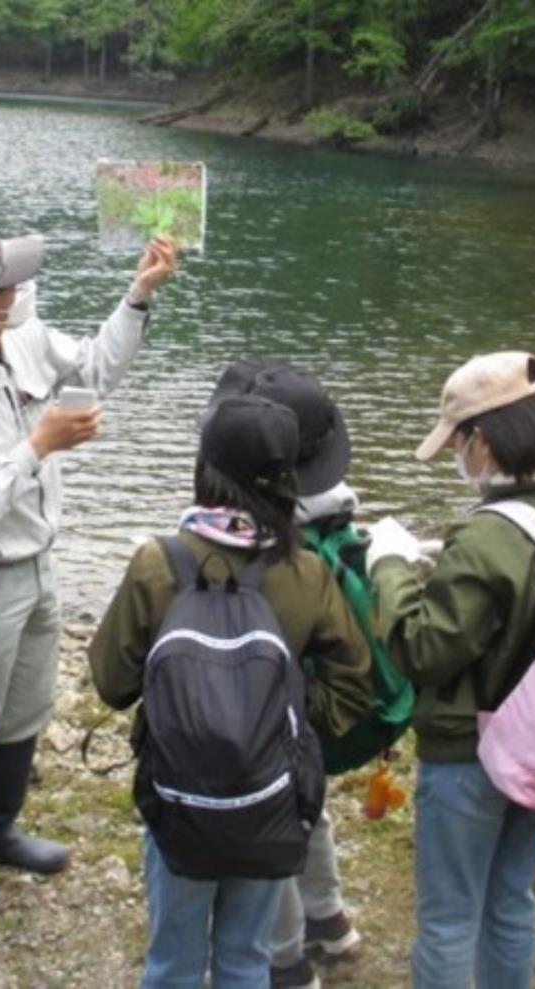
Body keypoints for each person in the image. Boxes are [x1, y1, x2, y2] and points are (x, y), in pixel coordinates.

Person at [0, 228, 177, 918]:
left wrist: (137, 296)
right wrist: (38, 445)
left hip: (38, 561)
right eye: (9, 287)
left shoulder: (19, 338)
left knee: (27, 702)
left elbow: (93, 370)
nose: (22, 292)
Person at [88, 393, 373, 989]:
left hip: (179, 795)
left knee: (173, 959)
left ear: (205, 470)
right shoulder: (306, 571)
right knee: (247, 957)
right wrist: (282, 718)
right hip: (270, 798)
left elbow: (112, 684)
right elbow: (353, 686)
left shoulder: (157, 564)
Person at [369, 351, 535, 989]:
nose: (457, 458)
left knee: (447, 918)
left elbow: (422, 651)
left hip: (472, 751)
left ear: (485, 444)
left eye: (458, 443)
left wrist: (390, 563)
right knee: (511, 898)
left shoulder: (489, 536)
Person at [208, 360, 366, 989]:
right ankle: (328, 917)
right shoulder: (336, 512)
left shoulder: (260, 542)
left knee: (268, 822)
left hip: (262, 709)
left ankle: (284, 957)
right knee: (309, 805)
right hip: (312, 697)